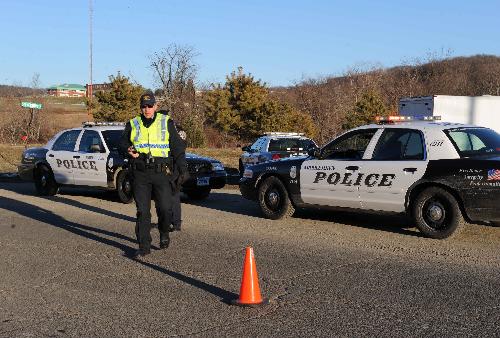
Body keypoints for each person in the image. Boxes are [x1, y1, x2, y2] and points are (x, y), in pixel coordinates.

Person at [119, 93, 187, 258]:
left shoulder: (166, 122)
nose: (147, 109)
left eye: (150, 106)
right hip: (140, 172)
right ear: (140, 107)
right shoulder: (132, 123)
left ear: (155, 106)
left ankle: (164, 232)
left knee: (164, 208)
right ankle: (144, 246)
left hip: (161, 172)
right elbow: (122, 143)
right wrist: (127, 149)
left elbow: (178, 147)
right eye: (144, 106)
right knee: (143, 211)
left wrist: (183, 169)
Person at [156, 110, 188, 232]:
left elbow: (179, 148)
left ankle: (174, 222)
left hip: (171, 164)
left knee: (172, 194)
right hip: (174, 164)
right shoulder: (179, 129)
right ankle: (172, 221)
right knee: (170, 194)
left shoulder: (170, 130)